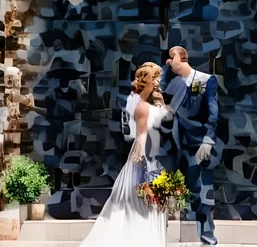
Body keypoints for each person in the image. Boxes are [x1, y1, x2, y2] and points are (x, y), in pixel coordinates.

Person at [80, 62, 172, 247]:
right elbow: (143, 133)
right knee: (146, 201)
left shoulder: (146, 104)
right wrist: (143, 158)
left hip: (152, 152)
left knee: (150, 202)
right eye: (157, 79)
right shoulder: (143, 107)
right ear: (151, 82)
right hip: (146, 154)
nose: (159, 83)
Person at [160, 46, 219, 246]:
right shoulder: (174, 83)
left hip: (195, 144)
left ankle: (207, 238)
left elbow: (213, 114)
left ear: (183, 58)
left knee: (201, 192)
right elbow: (159, 91)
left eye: (172, 57)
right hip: (173, 143)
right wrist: (167, 69)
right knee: (163, 190)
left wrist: (208, 140)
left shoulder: (205, 80)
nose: (169, 61)